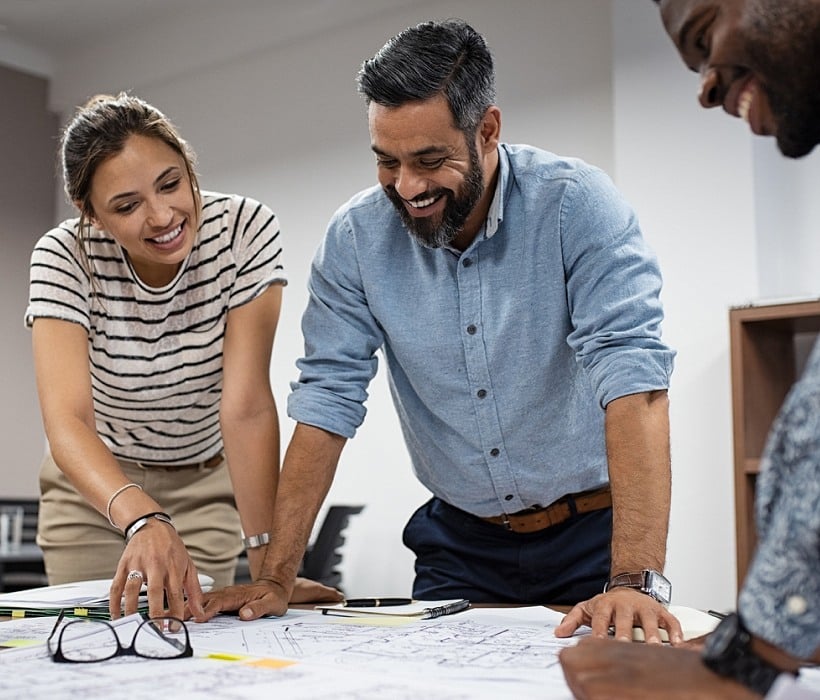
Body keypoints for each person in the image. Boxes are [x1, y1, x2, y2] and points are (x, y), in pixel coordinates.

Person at [201, 18, 683, 643]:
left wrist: (635, 581)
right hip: (457, 544)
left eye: (430, 161)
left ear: (487, 130)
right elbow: (325, 401)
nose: (407, 187)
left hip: (593, 540)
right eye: (387, 162)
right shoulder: (354, 240)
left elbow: (634, 381)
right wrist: (275, 575)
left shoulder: (575, 205)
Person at [559, 1, 820, 698]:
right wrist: (752, 646)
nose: (704, 89)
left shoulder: (577, 202)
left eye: (706, 40)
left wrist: (742, 663)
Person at [25, 93, 341, 621]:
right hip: (95, 492)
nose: (163, 216)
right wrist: (143, 519)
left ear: (188, 165)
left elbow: (245, 406)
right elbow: (67, 422)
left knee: (190, 647)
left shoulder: (243, 229)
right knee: (96, 651)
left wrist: (269, 571)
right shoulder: (63, 256)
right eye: (126, 206)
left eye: (171, 184)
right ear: (92, 214)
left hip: (202, 486)